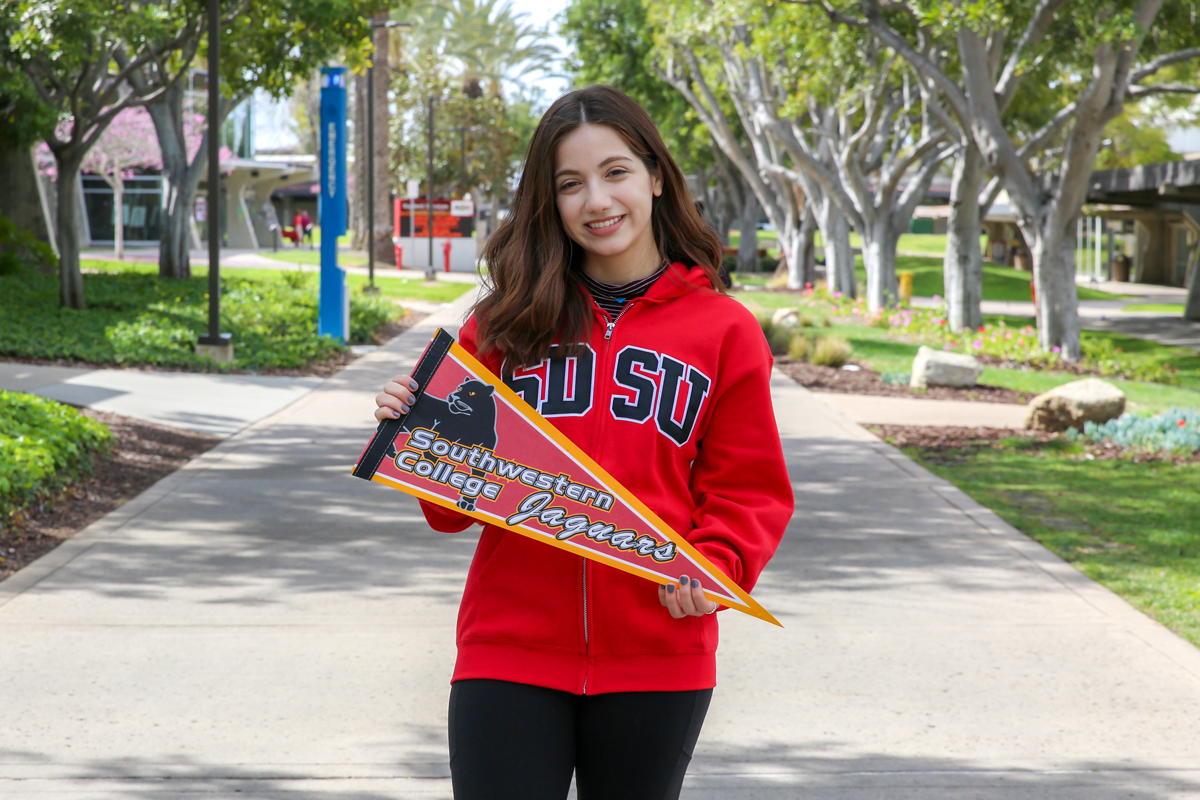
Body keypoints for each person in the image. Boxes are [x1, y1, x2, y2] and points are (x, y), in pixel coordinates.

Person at [374, 85, 793, 800]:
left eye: (616, 172)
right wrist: (413, 432)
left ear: (656, 176)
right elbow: (449, 512)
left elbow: (747, 487)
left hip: (659, 649)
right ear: (550, 201)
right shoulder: (506, 321)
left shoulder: (723, 330)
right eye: (570, 184)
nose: (596, 200)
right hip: (507, 648)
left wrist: (716, 563)